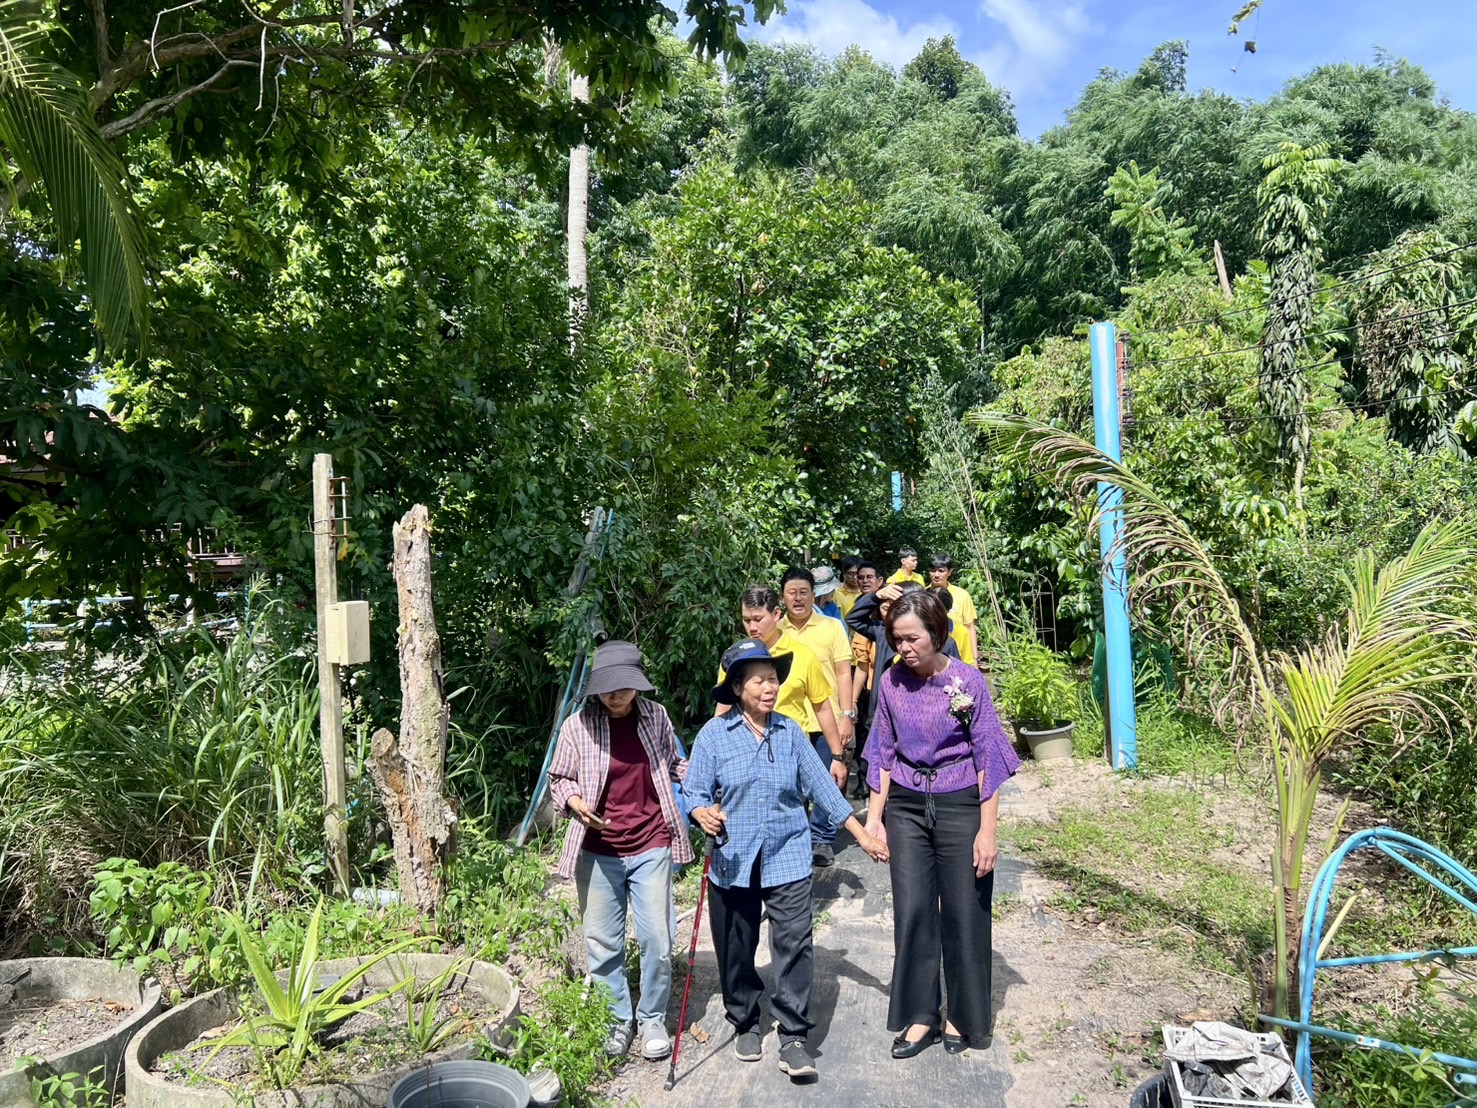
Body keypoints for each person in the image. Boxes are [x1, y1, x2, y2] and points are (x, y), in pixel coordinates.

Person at [687, 639, 889, 1081]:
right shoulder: (714, 737)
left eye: (773, 679)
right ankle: (744, 1019)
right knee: (735, 947)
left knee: (795, 943)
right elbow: (695, 792)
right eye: (758, 681)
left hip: (787, 853)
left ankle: (794, 1034)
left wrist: (863, 835)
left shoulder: (790, 732)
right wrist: (701, 812)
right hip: (733, 857)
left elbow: (822, 789)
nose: (768, 688)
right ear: (737, 688)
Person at [862, 591, 1020, 1058]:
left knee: (964, 910)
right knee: (912, 909)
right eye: (896, 639)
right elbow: (882, 754)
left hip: (958, 805)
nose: (904, 648)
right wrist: (875, 819)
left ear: (937, 634)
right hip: (908, 807)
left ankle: (962, 1015)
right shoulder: (890, 683)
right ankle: (921, 1015)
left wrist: (987, 832)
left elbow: (988, 758)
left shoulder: (966, 681)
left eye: (913, 638)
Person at [547, 640, 691, 1061]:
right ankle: (616, 1021)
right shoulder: (578, 726)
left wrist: (706, 789)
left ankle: (651, 1019)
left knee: (658, 939)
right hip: (597, 850)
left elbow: (677, 764)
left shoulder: (656, 716)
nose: (616, 695)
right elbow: (560, 778)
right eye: (608, 688)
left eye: (624, 686)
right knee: (603, 942)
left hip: (651, 841)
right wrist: (575, 803)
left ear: (638, 685)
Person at [780, 566, 857, 868]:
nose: (798, 599)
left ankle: (821, 839)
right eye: (792, 593)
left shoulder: (831, 627)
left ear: (814, 594)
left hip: (827, 718)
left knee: (828, 779)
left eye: (804, 592)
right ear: (782, 597)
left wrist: (847, 714)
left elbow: (843, 673)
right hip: (789, 722)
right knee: (791, 784)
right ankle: (796, 837)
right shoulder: (775, 629)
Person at [929, 553, 980, 668]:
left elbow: (969, 627)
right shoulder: (922, 594)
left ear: (950, 572)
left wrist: (974, 659)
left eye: (941, 571)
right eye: (933, 570)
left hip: (958, 652)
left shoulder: (962, 595)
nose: (936, 575)